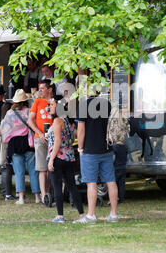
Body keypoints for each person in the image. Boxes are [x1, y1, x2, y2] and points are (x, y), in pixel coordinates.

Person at [74, 93, 119, 224]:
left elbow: (81, 129)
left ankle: (91, 215)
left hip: (89, 149)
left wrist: (80, 148)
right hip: (106, 148)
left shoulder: (84, 105)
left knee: (91, 182)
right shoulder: (107, 104)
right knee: (111, 180)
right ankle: (114, 214)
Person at [47, 95, 85, 223]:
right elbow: (72, 138)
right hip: (69, 157)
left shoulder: (58, 121)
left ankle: (60, 215)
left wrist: (51, 159)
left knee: (57, 186)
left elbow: (58, 141)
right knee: (72, 186)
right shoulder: (69, 121)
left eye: (52, 105)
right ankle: (81, 213)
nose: (49, 107)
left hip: (58, 157)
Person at [0, 89, 40, 205]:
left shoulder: (9, 113)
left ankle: (21, 197)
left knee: (19, 172)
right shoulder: (29, 112)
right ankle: (37, 196)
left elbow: (3, 129)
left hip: (14, 144)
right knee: (33, 171)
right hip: (28, 142)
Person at [28, 79, 54, 202]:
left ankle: (49, 192)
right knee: (42, 168)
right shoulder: (37, 102)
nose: (40, 91)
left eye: (42, 88)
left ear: (50, 89)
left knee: (51, 168)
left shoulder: (56, 102)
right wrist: (40, 133)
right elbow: (30, 121)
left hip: (54, 138)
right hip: (40, 138)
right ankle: (44, 196)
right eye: (40, 88)